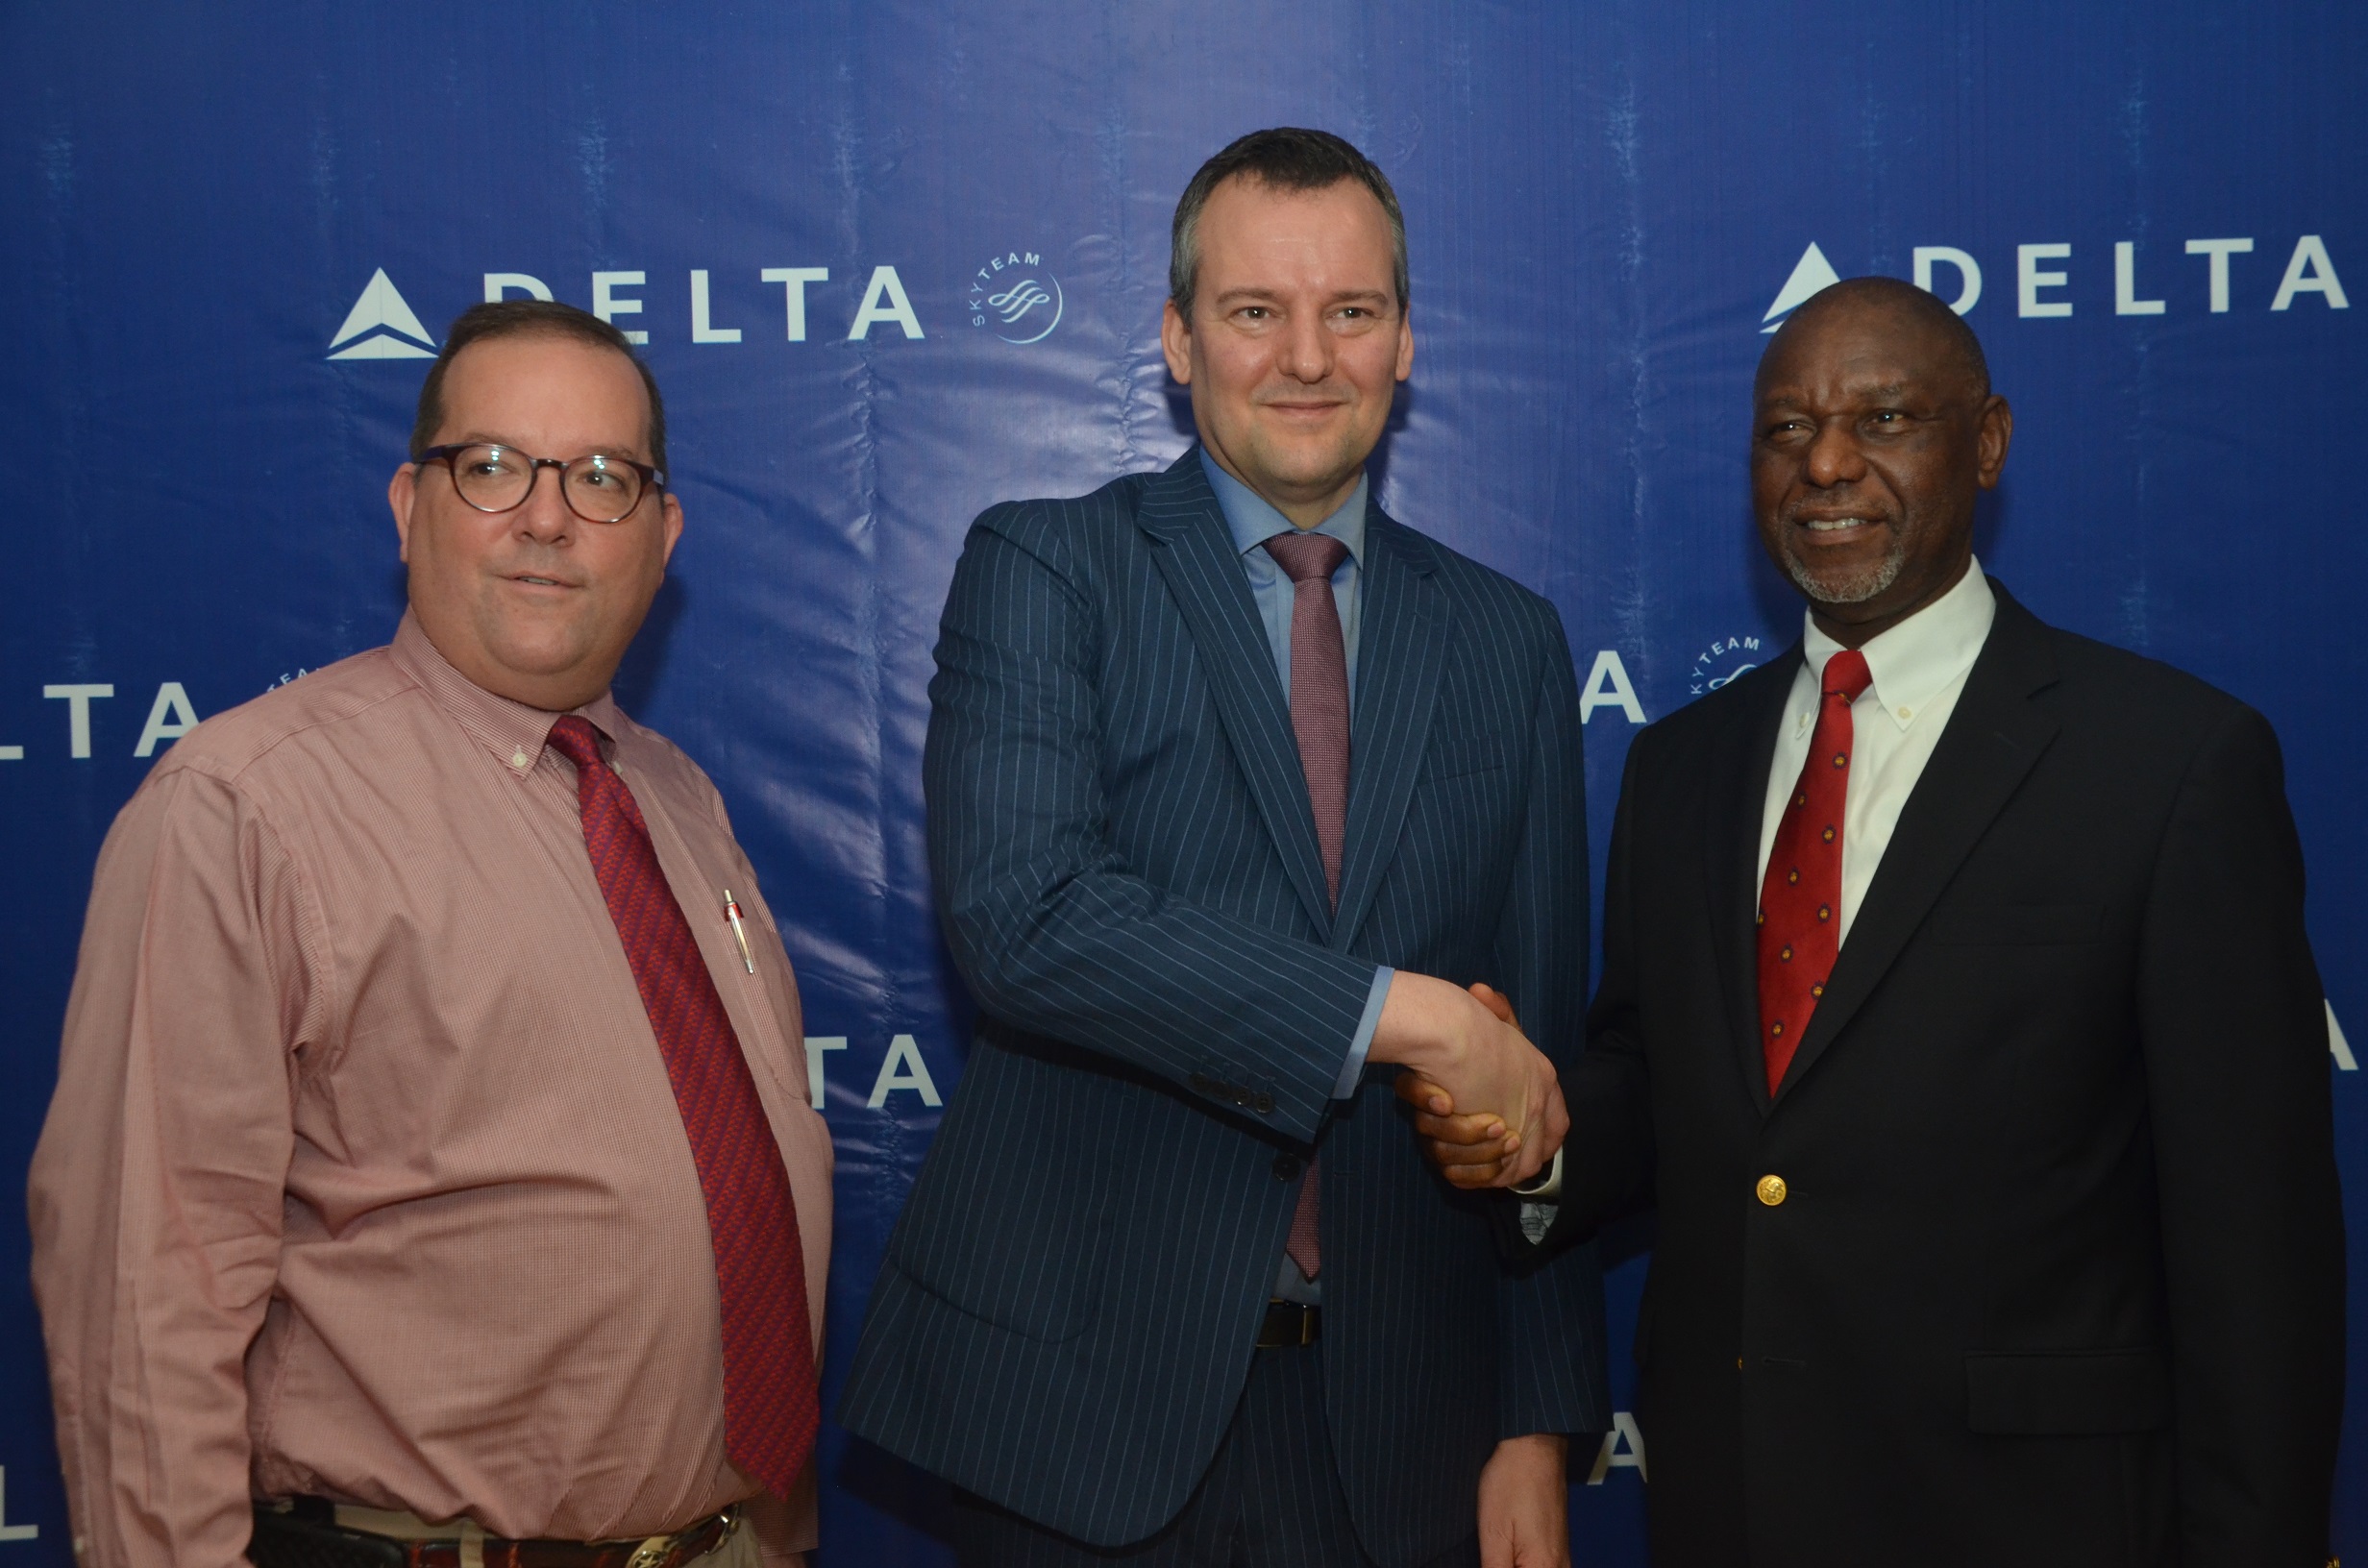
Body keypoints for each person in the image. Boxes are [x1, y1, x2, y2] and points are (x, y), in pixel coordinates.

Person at [1415, 276, 2347, 1564]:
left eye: (1886, 417)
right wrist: (1538, 1135)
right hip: (1730, 1511)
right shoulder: (1682, 767)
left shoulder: (2170, 766)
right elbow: (1664, 1088)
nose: (1829, 463)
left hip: (2036, 1526)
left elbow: (2260, 1264)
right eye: (1786, 428)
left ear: (1989, 439)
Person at [839, 128, 1605, 1568]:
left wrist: (1534, 1422)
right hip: (1080, 1424)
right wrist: (1407, 1014)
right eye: (1256, 312)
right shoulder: (1047, 566)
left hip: (1404, 1433)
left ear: (1407, 342)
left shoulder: (1508, 642)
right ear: (1180, 343)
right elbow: (1029, 918)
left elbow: (1534, 1051)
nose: (1306, 357)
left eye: (1351, 313)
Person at [30, 300, 832, 1568]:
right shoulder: (247, 807)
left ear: (662, 536)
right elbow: (147, 1298)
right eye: (495, 467)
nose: (549, 516)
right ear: (412, 506)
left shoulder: (676, 801)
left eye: (604, 477)